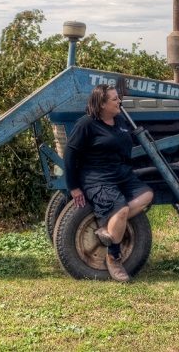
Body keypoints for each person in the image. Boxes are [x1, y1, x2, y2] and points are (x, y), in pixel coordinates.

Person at [64, 84, 154, 282]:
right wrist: (74, 187)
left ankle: (108, 228)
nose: (119, 102)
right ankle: (113, 257)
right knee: (120, 210)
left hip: (121, 174)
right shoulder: (86, 124)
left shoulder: (120, 120)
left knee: (147, 195)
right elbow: (70, 155)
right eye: (114, 99)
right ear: (102, 104)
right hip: (97, 178)